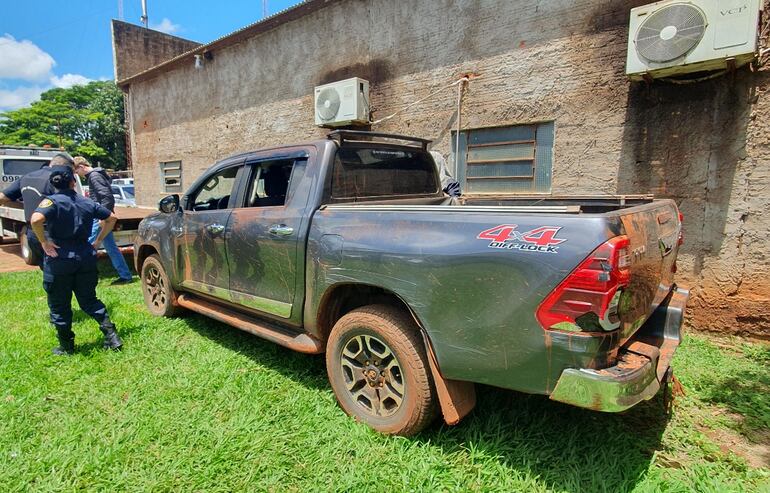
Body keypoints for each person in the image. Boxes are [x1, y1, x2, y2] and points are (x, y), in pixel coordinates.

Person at [29, 166, 123, 355]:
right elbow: (111, 218)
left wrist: (44, 242)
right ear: (73, 182)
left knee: (59, 304)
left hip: (59, 259)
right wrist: (97, 242)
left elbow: (36, 220)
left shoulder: (51, 202)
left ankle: (66, 346)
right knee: (89, 300)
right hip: (85, 257)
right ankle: (112, 336)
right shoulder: (86, 202)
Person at [0, 153, 79, 265]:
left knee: (45, 266)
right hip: (54, 233)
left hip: (33, 233)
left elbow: (2, 198)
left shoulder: (26, 177)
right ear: (67, 167)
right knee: (61, 269)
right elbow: (70, 203)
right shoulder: (58, 179)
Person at [74, 157, 133, 284]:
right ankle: (126, 276)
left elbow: (106, 196)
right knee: (111, 247)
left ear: (81, 166)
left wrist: (104, 217)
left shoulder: (94, 176)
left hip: (99, 216)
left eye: (76, 171)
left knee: (87, 244)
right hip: (101, 215)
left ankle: (82, 275)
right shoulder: (95, 175)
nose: (77, 175)